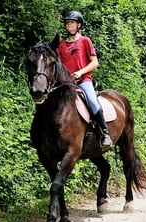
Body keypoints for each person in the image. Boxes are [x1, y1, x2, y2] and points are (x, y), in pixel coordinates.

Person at [57, 10, 113, 148]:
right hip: (66, 83)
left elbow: (95, 62)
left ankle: (105, 133)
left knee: (92, 101)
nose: (69, 25)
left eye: (72, 22)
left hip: (83, 81)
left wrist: (80, 72)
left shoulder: (85, 41)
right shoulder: (62, 45)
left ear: (79, 25)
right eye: (67, 23)